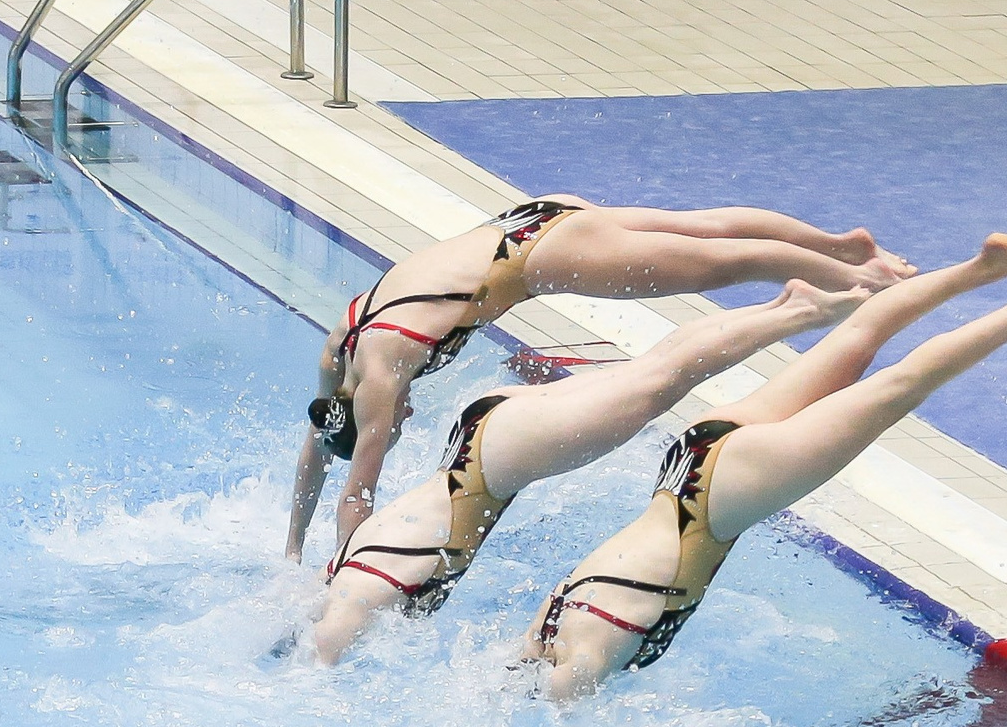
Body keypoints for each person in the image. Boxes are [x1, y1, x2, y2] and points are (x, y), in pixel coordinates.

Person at [517, 228, 1007, 699]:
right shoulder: (539, 636)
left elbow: (567, 717)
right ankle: (984, 267)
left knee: (898, 388)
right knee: (854, 340)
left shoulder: (575, 667)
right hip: (690, 460)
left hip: (719, 502)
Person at [286, 199, 915, 558]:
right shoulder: (340, 349)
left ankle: (866, 283)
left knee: (726, 262)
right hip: (533, 216)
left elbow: (355, 497)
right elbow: (318, 442)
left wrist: (337, 574)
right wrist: (291, 546)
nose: (405, 422)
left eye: (395, 427)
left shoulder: (380, 384)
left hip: (536, 258)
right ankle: (843, 246)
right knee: (704, 229)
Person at [306, 277, 870, 666]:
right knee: (652, 374)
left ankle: (803, 313)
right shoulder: (344, 565)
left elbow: (325, 647)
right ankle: (786, 307)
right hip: (481, 439)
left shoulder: (354, 599)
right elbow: (351, 502)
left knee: (657, 383)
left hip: (495, 462)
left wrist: (315, 676)